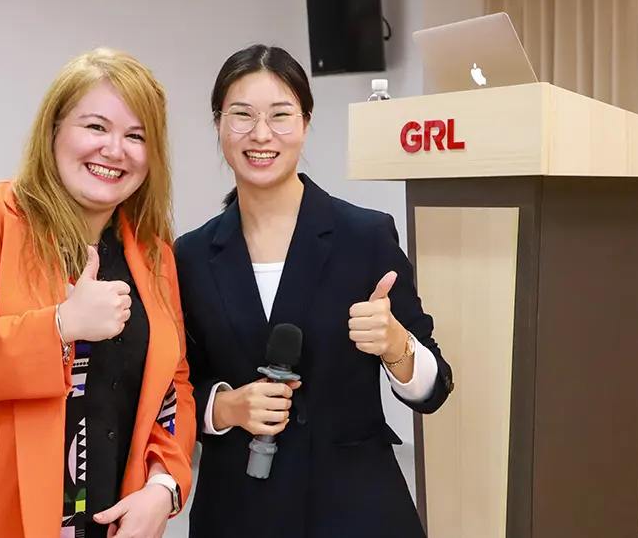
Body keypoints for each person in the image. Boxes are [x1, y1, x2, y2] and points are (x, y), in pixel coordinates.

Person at [0, 48, 196, 538]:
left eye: (136, 136)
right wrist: (60, 327)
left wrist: (164, 486)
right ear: (54, 130)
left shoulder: (153, 255)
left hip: (107, 522)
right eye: (96, 126)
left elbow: (174, 385)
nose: (114, 149)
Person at [173, 44, 454, 538]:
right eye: (242, 115)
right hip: (238, 510)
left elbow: (435, 388)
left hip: (352, 507)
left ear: (305, 122)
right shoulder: (191, 255)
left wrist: (396, 345)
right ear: (219, 124)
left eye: (280, 115)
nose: (261, 134)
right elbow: (174, 388)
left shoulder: (364, 236)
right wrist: (225, 407)